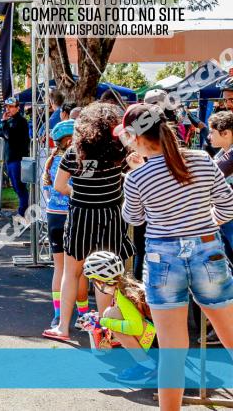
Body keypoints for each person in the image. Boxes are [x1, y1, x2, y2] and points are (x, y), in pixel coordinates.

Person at [118, 103, 233, 410]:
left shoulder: (137, 177)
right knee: (230, 335)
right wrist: (205, 223)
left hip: (162, 257)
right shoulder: (202, 160)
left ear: (135, 137)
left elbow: (133, 218)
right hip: (207, 250)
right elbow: (227, 206)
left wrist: (137, 170)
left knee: (172, 350)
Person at [43, 102, 135, 342]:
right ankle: (106, 331)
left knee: (71, 273)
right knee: (106, 275)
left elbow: (59, 185)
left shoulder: (75, 152)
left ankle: (63, 326)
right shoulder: (118, 152)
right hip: (111, 216)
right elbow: (135, 173)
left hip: (81, 216)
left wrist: (77, 193)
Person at [82, 251, 158, 383]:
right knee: (110, 314)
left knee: (112, 319)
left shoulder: (123, 296)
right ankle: (151, 362)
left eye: (93, 280)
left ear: (100, 281)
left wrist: (103, 322)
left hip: (155, 338)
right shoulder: (124, 286)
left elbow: (135, 328)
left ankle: (148, 366)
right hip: (158, 334)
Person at [41, 119, 88, 328]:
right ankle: (83, 314)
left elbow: (48, 190)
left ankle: (58, 314)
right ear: (70, 139)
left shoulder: (51, 162)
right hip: (74, 215)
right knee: (78, 270)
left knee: (59, 268)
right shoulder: (77, 161)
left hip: (53, 216)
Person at [0, 97, 30, 217]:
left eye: (11, 107)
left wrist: (4, 123)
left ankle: (23, 211)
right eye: (6, 107)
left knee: (19, 186)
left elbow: (8, 135)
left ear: (17, 108)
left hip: (18, 159)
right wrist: (4, 124)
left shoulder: (20, 121)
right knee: (15, 186)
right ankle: (23, 209)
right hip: (11, 158)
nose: (8, 109)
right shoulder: (11, 121)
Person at [207, 110, 233, 264]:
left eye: (212, 132)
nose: (209, 136)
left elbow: (211, 172)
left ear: (226, 133)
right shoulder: (224, 153)